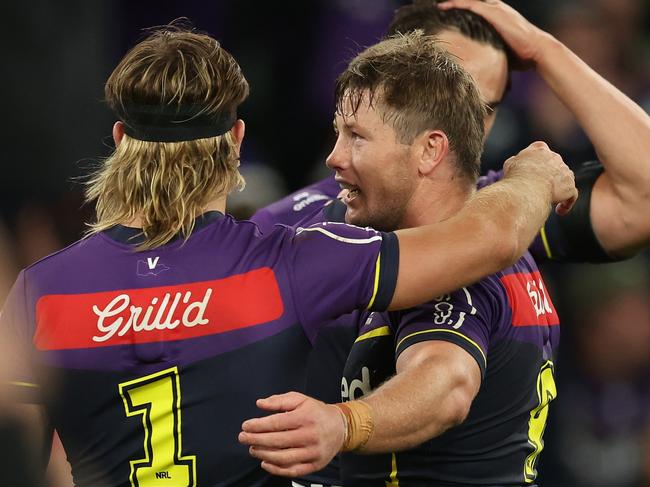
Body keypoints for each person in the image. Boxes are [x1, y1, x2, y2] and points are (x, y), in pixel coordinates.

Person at [0, 25, 576, 487]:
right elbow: (493, 238)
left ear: (122, 139)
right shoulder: (294, 264)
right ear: (236, 140)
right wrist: (530, 176)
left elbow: (20, 462)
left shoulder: (37, 292)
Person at [245, 2, 650, 484]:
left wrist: (544, 50)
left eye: (486, 105)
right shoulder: (302, 220)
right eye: (445, 83)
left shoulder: (502, 213)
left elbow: (641, 196)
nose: (464, 121)